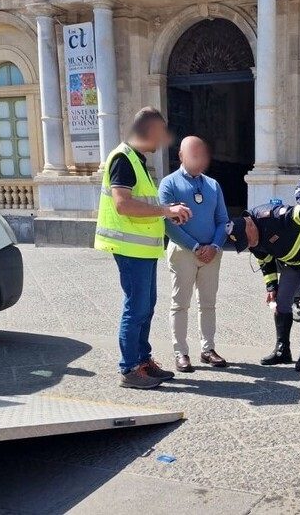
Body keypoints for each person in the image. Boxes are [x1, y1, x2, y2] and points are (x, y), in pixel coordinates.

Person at [95, 107, 192, 389]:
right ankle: (129, 369)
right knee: (135, 308)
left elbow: (145, 205)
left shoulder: (137, 160)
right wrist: (166, 209)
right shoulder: (123, 159)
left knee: (145, 306)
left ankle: (143, 361)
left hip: (144, 250)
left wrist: (167, 212)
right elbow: (122, 204)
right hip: (129, 249)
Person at [226, 202, 300, 371]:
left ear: (249, 224)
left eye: (247, 239)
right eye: (245, 243)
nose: (249, 244)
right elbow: (265, 262)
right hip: (291, 262)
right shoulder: (251, 242)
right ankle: (282, 350)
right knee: (281, 303)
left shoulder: (271, 215)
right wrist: (271, 287)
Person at [158, 136, 229, 373]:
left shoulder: (213, 185)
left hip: (212, 253)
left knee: (208, 303)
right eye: (192, 154)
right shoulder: (168, 184)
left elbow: (222, 220)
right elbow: (168, 224)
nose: (198, 159)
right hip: (183, 253)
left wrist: (215, 246)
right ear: (181, 156)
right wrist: (196, 246)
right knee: (180, 304)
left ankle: (208, 349)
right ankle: (181, 353)